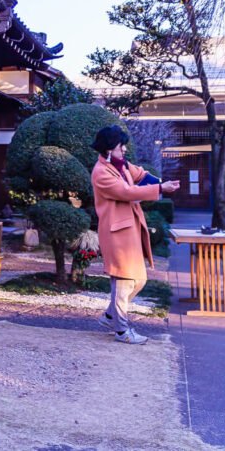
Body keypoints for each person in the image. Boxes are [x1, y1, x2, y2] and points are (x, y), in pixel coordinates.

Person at [91, 125, 179, 345]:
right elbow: (127, 193)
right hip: (116, 233)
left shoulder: (121, 165)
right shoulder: (101, 172)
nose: (125, 149)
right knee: (123, 282)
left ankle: (110, 316)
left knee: (138, 279)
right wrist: (161, 189)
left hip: (128, 229)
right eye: (121, 146)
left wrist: (160, 183)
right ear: (110, 149)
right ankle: (121, 330)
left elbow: (141, 174)